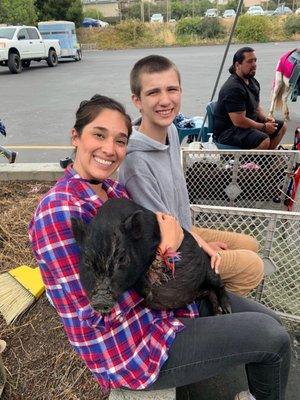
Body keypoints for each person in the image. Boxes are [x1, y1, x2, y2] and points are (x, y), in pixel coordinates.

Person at [29, 94, 291, 400]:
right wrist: (163, 257)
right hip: (132, 347)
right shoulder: (57, 213)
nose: (109, 149)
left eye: (120, 140)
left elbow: (156, 239)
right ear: (76, 136)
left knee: (273, 322)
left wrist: (173, 249)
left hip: (171, 307)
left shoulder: (112, 190)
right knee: (271, 338)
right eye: (99, 135)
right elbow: (99, 307)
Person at [118, 55, 264, 296]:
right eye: (153, 92)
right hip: (169, 257)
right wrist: (200, 246)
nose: (165, 100)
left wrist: (197, 237)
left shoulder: (172, 131)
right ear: (137, 101)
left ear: (181, 91)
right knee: (251, 266)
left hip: (185, 230)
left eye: (172, 89)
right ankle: (203, 307)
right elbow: (163, 238)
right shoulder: (136, 164)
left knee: (251, 244)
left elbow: (178, 215)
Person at [213, 47, 287, 149]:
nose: (254, 65)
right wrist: (264, 127)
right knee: (264, 140)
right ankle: (249, 164)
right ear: (237, 65)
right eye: (249, 61)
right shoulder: (233, 88)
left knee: (281, 127)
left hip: (246, 125)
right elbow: (239, 121)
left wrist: (265, 119)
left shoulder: (253, 82)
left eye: (255, 61)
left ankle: (265, 160)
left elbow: (256, 107)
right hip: (229, 131)